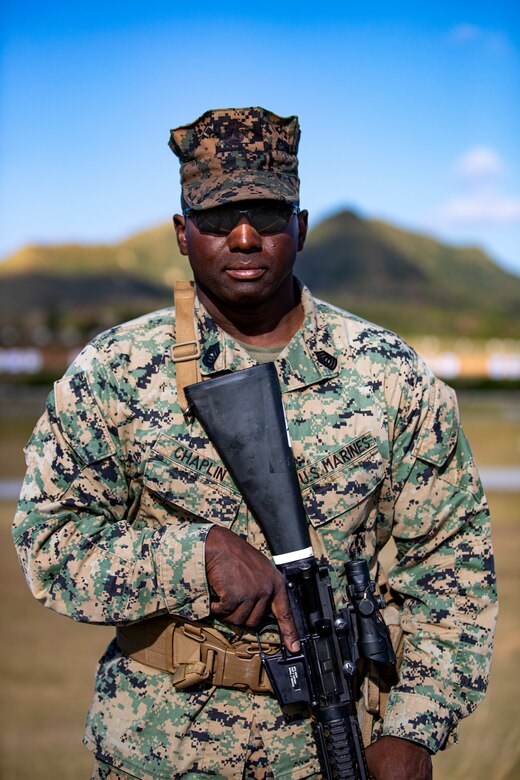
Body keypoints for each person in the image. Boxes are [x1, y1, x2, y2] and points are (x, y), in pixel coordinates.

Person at [13, 107, 497, 780]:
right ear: (183, 234)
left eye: (268, 215)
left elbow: (452, 564)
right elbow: (51, 545)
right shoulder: (115, 373)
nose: (244, 237)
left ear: (299, 226)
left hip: (329, 753)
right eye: (217, 217)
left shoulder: (389, 375)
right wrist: (196, 557)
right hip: (156, 754)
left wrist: (414, 727)